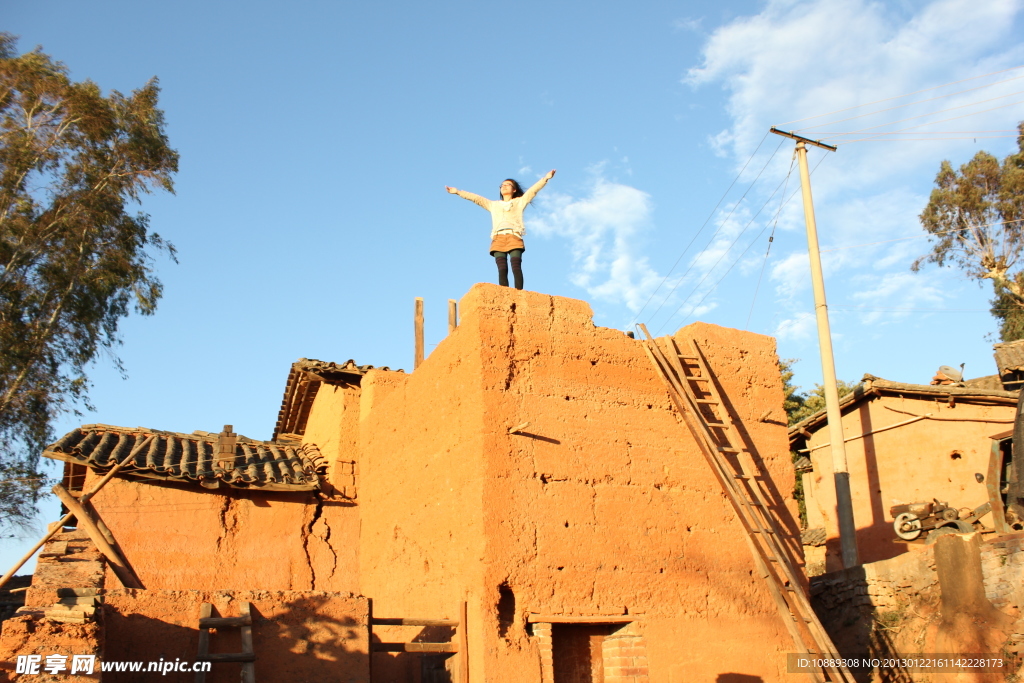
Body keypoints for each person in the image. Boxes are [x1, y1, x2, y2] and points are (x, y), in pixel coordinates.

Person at [445, 170, 556, 290]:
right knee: (502, 269)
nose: (503, 187)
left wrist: (546, 178)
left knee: (516, 267)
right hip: (498, 238)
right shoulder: (493, 205)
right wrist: (457, 192)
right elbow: (476, 198)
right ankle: (505, 295)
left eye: (507, 185)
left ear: (514, 189)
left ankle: (519, 294)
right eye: (502, 185)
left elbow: (532, 191)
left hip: (514, 237)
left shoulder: (519, 202)